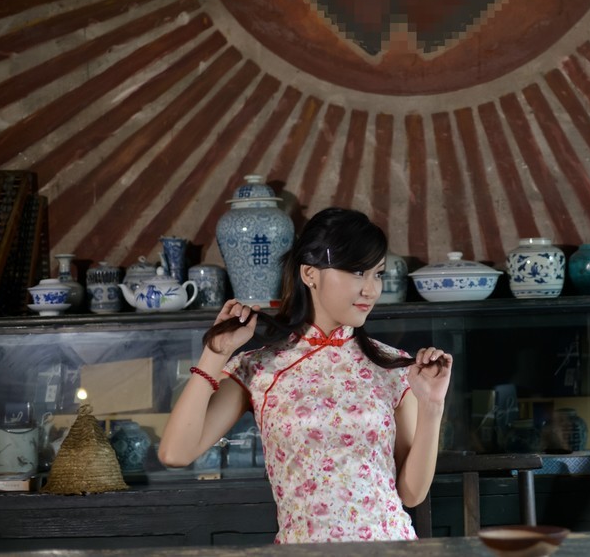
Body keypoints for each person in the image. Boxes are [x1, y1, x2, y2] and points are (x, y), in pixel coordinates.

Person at [159, 207, 452, 543]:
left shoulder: (393, 367)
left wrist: (432, 406)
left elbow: (411, 495)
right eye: (358, 272)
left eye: (378, 274)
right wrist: (215, 353)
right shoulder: (260, 368)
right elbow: (175, 454)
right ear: (310, 273)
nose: (371, 290)